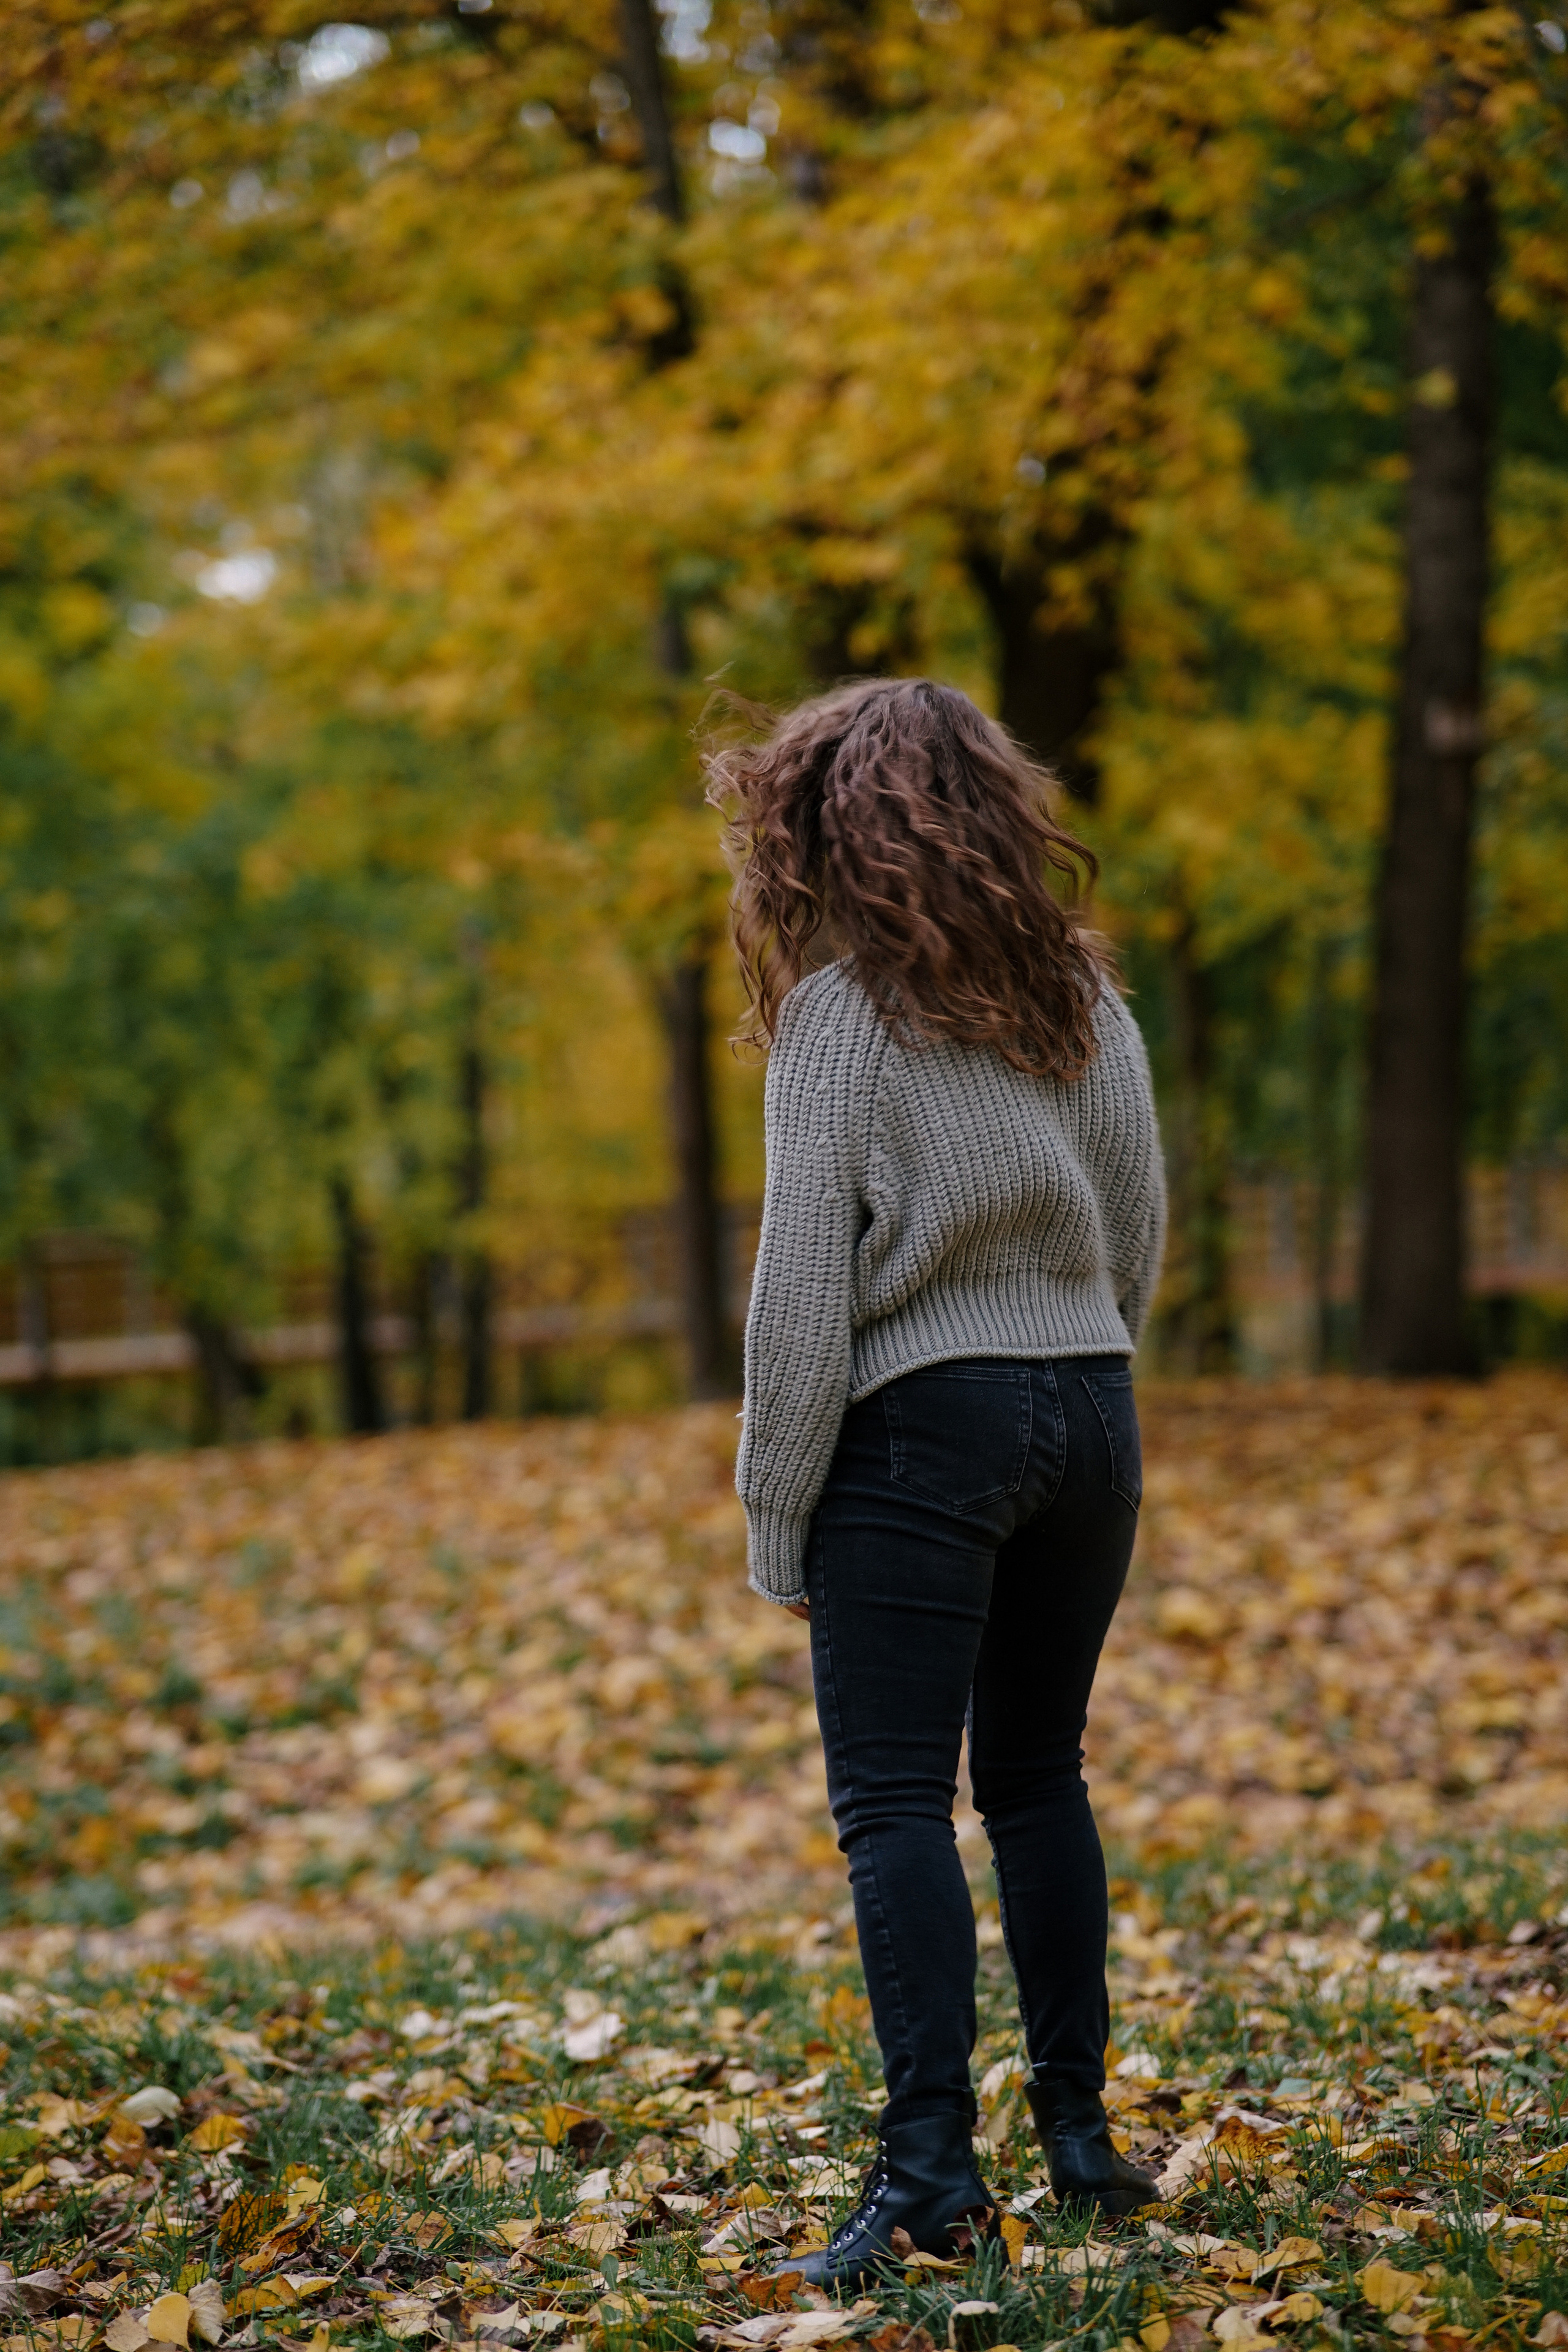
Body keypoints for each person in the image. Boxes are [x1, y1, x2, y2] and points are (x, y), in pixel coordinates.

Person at [705, 678, 1167, 2287]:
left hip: (924, 1427)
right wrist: (1074, 1360)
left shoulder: (842, 1017)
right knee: (1039, 1776)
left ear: (828, 829)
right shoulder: (1084, 1002)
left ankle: (928, 2181)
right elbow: (1139, 1226)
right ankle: (1084, 2138)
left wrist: (780, 1514)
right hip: (1092, 1413)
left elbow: (803, 1303)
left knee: (896, 1801)